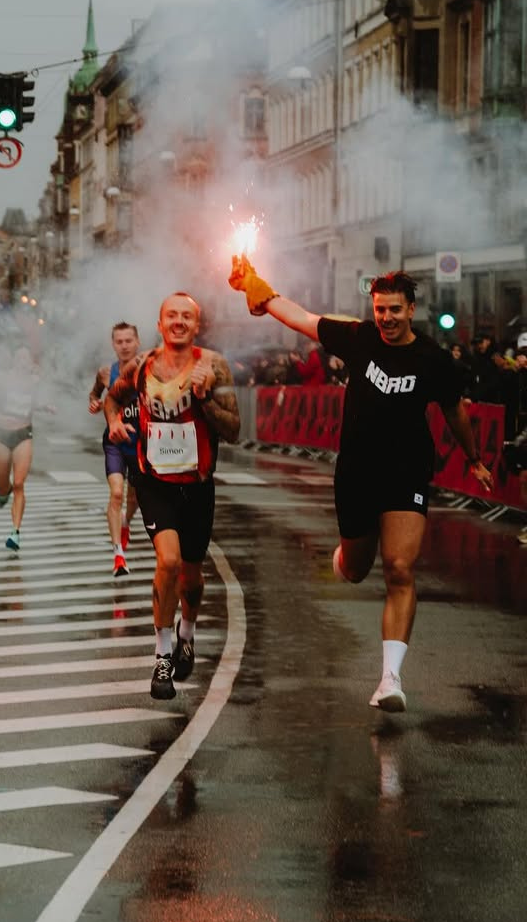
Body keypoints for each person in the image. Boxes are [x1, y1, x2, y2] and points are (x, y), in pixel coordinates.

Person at [229, 259, 493, 712]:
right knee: (355, 568)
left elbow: (455, 413)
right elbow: (304, 318)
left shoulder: (433, 360)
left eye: (394, 310)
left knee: (399, 568)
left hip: (407, 471)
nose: (386, 319)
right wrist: (260, 290)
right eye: (379, 310)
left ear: (412, 310)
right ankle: (344, 555)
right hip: (356, 471)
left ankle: (390, 679)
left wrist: (473, 459)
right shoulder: (359, 338)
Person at [104, 293, 240, 700]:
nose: (179, 322)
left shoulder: (212, 364)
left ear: (196, 326)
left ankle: (188, 632)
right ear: (160, 324)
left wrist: (204, 400)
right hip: (154, 480)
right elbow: (114, 397)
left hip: (197, 485)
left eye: (187, 317)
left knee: (193, 577)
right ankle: (162, 655)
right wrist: (113, 423)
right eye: (171, 316)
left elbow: (234, 429)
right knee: (169, 561)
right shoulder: (141, 365)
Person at [88, 321, 142, 577]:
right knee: (117, 494)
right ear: (113, 344)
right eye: (119, 341)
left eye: (128, 341)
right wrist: (96, 404)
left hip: (142, 443)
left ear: (137, 342)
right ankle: (118, 554)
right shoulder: (104, 372)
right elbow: (94, 395)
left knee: (134, 498)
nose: (124, 346)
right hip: (115, 442)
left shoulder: (148, 368)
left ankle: (126, 523)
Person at [0, 344, 44, 551]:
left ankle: (15, 533)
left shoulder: (34, 382)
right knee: (4, 485)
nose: (23, 363)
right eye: (19, 359)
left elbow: (33, 403)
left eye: (27, 360)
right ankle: (3, 491)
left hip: (23, 434)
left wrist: (45, 406)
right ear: (14, 361)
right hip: (1, 435)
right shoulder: (2, 379)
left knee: (19, 483)